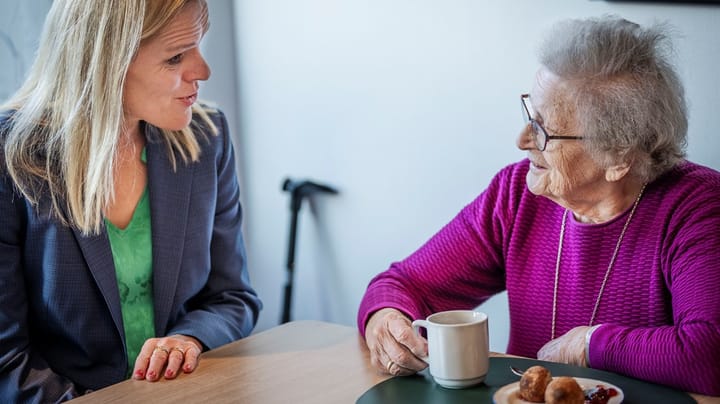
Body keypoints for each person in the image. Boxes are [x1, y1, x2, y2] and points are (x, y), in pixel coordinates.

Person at [357, 15, 720, 396]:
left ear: (619, 156)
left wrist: (590, 345)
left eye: (544, 130)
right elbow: (402, 284)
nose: (522, 139)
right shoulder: (516, 195)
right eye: (530, 115)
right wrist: (386, 319)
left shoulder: (699, 209)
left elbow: (709, 355)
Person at [0, 0, 262, 402]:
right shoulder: (12, 157)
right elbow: (7, 358)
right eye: (176, 57)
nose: (203, 71)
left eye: (198, 46)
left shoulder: (208, 139)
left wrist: (189, 339)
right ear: (105, 64)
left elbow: (232, 297)